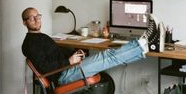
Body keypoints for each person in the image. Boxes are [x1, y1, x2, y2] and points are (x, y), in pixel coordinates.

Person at [21, 7, 163, 85]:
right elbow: (45, 68)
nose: (36, 19)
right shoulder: (30, 43)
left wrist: (76, 53)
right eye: (31, 18)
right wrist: (69, 61)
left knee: (111, 57)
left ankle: (144, 46)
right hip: (63, 75)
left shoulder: (41, 37)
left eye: (37, 16)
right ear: (24, 23)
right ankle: (144, 42)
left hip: (68, 68)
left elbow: (56, 54)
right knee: (106, 56)